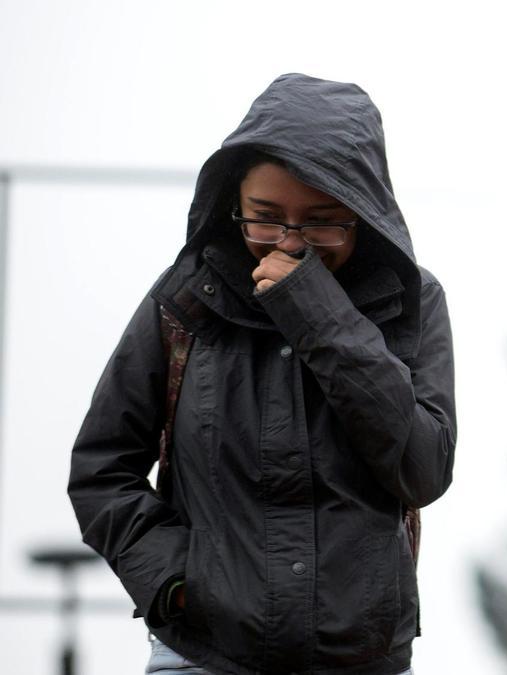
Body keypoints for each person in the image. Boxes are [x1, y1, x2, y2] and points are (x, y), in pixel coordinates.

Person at [68, 74, 455, 675]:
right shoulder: (184, 299)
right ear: (233, 205)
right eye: (265, 217)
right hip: (203, 656)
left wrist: (322, 318)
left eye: (323, 220)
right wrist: (174, 582)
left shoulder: (412, 300)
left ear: (364, 209)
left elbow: (423, 468)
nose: (289, 242)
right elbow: (101, 469)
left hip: (361, 659)